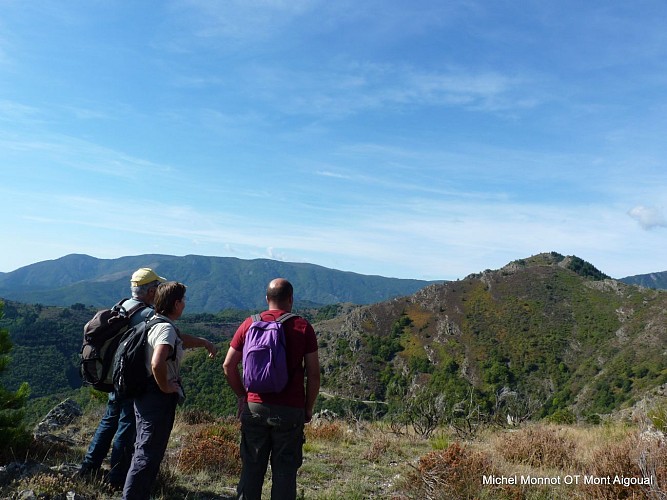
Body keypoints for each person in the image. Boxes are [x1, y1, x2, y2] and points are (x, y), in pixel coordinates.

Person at [223, 278, 320, 500]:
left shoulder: (249, 324)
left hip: (255, 406)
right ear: (291, 299)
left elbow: (228, 365)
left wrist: (242, 396)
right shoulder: (303, 327)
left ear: (267, 299)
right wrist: (308, 408)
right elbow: (313, 374)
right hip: (290, 409)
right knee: (285, 472)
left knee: (251, 468)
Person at [123, 281, 217, 500]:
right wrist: (165, 386)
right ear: (176, 303)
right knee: (147, 455)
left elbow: (180, 339)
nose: (185, 304)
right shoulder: (165, 328)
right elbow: (158, 362)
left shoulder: (157, 322)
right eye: (183, 301)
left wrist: (204, 342)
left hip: (145, 395)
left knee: (143, 448)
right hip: (156, 397)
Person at [79, 267, 166, 489]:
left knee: (108, 422)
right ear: (150, 291)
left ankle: (88, 468)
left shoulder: (122, 306)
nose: (159, 292)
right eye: (157, 288)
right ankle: (117, 479)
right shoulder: (147, 315)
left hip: (113, 377)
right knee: (126, 428)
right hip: (129, 380)